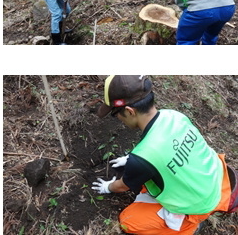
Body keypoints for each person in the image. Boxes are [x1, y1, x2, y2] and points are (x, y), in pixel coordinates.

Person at [93, 75, 238, 234]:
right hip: (214, 175)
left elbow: (122, 186)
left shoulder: (143, 158)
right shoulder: (173, 115)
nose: (118, 119)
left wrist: (108, 187)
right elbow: (167, 147)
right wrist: (131, 160)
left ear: (129, 111)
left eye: (116, 114)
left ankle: (189, 225)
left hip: (202, 201)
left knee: (129, 222)